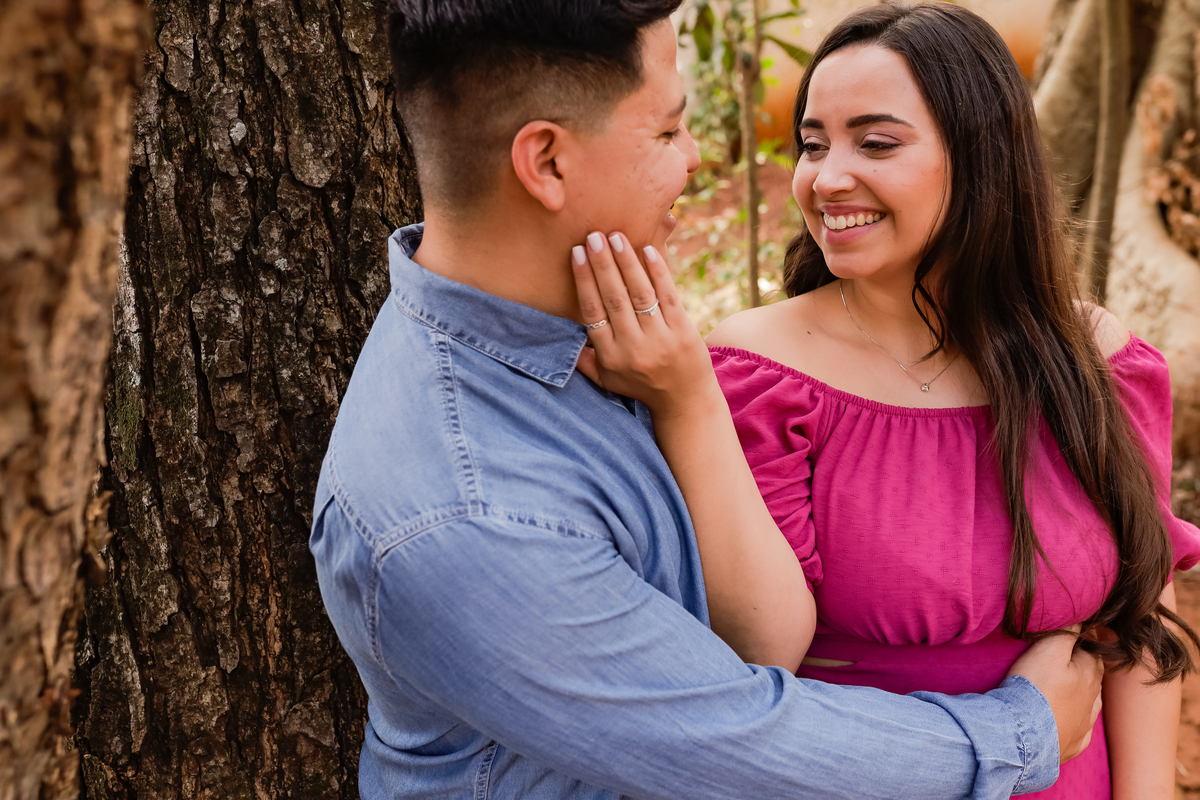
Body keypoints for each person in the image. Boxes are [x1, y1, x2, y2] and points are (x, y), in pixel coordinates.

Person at [308, 2, 1105, 798]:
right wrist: (1021, 731)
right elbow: (740, 743)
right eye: (667, 131)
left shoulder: (580, 330)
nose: (695, 157)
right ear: (546, 163)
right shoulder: (467, 511)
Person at [571, 3, 1200, 799]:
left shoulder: (1098, 361)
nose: (827, 177)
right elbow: (760, 651)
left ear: (982, 157)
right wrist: (687, 401)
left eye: (875, 143)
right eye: (812, 145)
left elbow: (1139, 619)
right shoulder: (761, 372)